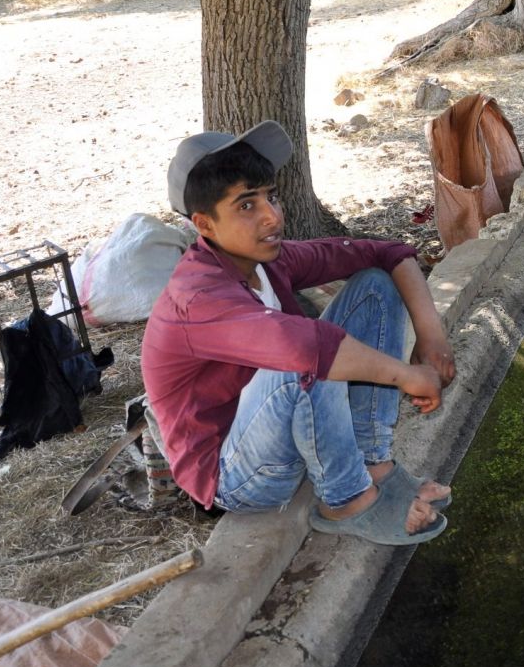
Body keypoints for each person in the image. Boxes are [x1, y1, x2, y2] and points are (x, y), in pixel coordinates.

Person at [142, 121, 457, 545]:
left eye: (270, 196)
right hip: (236, 474)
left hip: (280, 429)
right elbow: (302, 347)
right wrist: (405, 374)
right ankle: (344, 499)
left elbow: (388, 253)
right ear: (205, 225)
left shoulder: (267, 261)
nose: (273, 215)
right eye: (246, 206)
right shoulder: (197, 296)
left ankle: (372, 461)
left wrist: (431, 338)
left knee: (374, 287)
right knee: (302, 355)